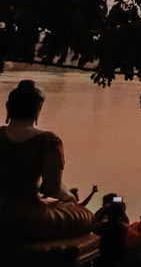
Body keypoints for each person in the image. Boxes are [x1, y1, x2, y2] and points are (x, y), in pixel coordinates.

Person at [0, 79, 95, 243]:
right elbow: (52, 188)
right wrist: (71, 198)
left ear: (8, 108)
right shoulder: (48, 141)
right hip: (28, 217)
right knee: (85, 215)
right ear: (38, 110)